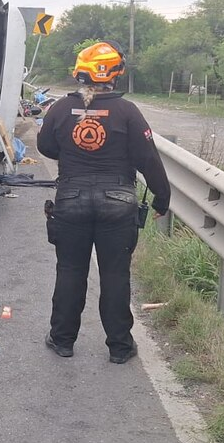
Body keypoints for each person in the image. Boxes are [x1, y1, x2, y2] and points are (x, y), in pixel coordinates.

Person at [36, 41, 171, 364]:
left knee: (70, 270)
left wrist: (73, 155)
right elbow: (148, 159)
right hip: (118, 203)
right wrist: (161, 199)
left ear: (80, 73)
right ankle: (120, 347)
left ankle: (62, 340)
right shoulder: (128, 112)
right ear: (116, 74)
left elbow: (44, 146)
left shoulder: (59, 109)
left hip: (70, 200)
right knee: (115, 274)